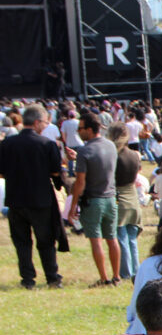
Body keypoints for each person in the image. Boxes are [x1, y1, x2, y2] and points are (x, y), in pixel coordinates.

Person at [0, 103, 63, 289]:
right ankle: (52, 277)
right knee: (46, 241)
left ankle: (27, 279)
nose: (45, 126)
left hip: (16, 199)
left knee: (22, 242)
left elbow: (1, 172)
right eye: (44, 122)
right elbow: (56, 172)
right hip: (40, 199)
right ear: (36, 122)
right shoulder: (47, 144)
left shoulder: (6, 144)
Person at [68, 111, 121, 287]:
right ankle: (116, 276)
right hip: (111, 198)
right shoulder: (111, 146)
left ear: (89, 130)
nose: (78, 131)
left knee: (96, 240)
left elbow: (80, 182)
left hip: (93, 200)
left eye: (80, 128)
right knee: (112, 238)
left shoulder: (84, 150)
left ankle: (104, 278)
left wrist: (73, 206)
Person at [108, 123, 144, 280]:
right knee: (132, 238)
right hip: (133, 198)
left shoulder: (113, 155)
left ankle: (125, 272)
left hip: (118, 197)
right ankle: (136, 271)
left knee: (121, 237)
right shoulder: (134, 155)